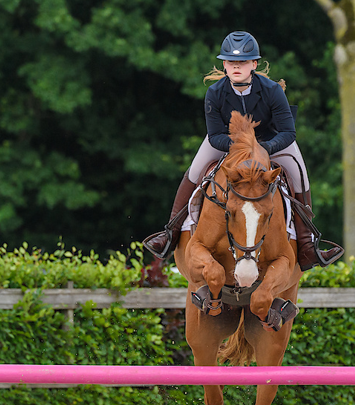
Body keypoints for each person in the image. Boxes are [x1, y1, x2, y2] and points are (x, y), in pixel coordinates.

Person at [143, 31, 343, 271]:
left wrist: (263, 149)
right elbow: (215, 136)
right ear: (224, 65)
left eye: (243, 62)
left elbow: (288, 133)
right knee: (196, 170)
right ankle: (171, 232)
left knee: (299, 173)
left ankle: (307, 244)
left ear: (254, 64)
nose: (236, 67)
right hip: (228, 143)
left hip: (272, 142)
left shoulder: (272, 91)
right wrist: (241, 149)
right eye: (231, 62)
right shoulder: (214, 93)